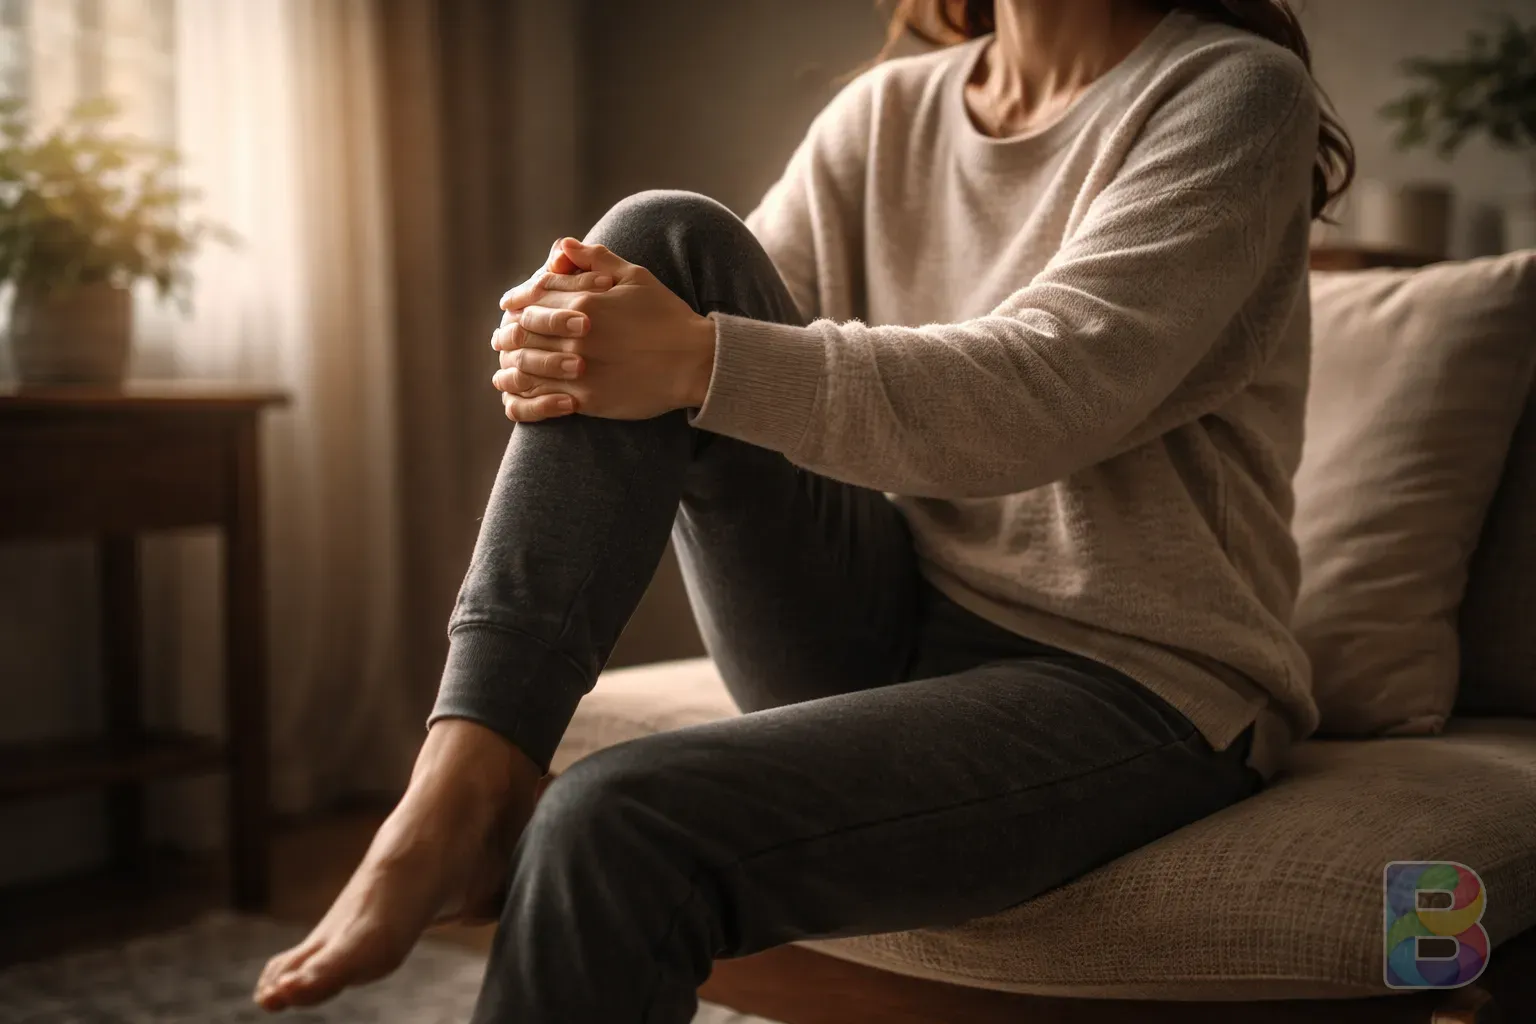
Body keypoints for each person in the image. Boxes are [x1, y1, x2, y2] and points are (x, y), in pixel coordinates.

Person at [255, 0, 1354, 1019]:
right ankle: (466, 775)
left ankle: (492, 802)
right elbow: (676, 339)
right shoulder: (890, 111)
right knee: (657, 239)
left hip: (1131, 683)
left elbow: (1051, 391)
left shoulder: (1232, 93)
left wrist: (690, 358)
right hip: (875, 617)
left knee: (613, 818)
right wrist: (587, 339)